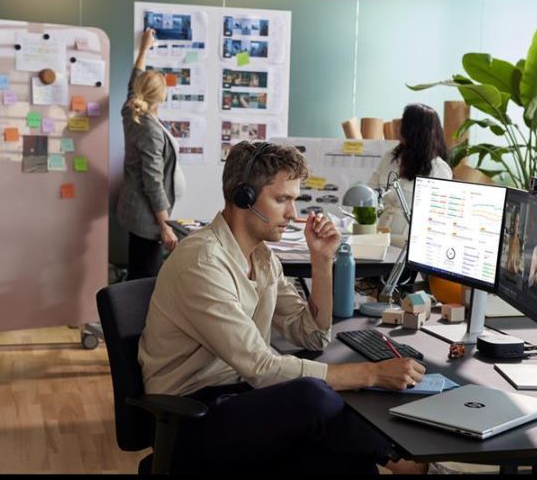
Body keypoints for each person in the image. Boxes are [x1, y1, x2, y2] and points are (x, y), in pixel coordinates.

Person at [138, 141, 427, 473]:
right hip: (187, 418)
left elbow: (312, 336)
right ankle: (405, 464)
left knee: (348, 460)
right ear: (243, 197)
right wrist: (372, 373)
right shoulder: (202, 263)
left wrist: (322, 262)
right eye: (281, 200)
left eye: (294, 200)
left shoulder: (262, 258)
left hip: (238, 397)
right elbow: (262, 367)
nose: (292, 213)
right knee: (313, 396)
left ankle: (403, 463)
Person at [117, 28, 186, 280]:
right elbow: (153, 181)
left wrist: (144, 48)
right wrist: (165, 225)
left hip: (135, 211)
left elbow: (133, 81)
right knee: (145, 279)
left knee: (139, 271)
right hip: (146, 219)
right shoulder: (149, 129)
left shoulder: (131, 110)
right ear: (162, 96)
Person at [368, 103, 452, 246]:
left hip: (409, 245)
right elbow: (370, 192)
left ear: (414, 129)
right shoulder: (390, 157)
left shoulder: (439, 169)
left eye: (404, 121)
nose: (398, 125)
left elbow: (437, 221)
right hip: (380, 238)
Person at [505, 208, 522, 278]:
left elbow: (517, 268)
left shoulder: (519, 242)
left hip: (514, 276)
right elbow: (506, 264)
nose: (516, 224)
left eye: (517, 222)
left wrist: (514, 265)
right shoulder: (510, 239)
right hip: (506, 274)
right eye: (515, 221)